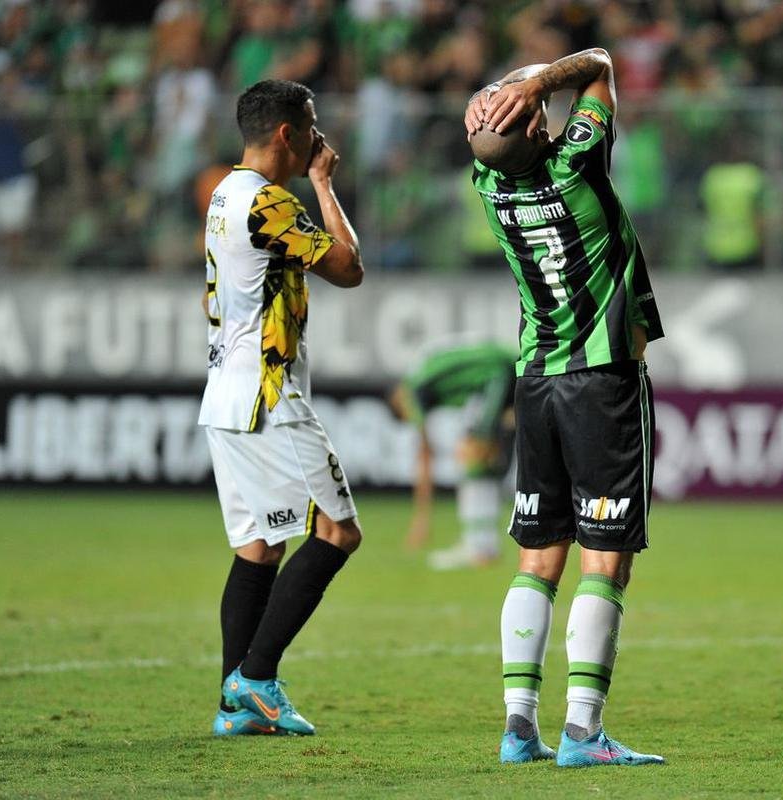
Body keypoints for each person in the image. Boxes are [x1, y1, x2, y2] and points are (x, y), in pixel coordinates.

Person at [464, 47, 666, 768]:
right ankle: (583, 732)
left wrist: (492, 98)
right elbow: (600, 66)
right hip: (602, 382)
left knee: (536, 558)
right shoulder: (576, 168)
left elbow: (490, 140)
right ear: (541, 130)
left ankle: (518, 728)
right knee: (603, 565)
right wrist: (532, 81)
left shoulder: (487, 183)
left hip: (536, 385)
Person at [198, 79, 365, 737]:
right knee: (337, 531)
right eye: (314, 126)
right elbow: (349, 268)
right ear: (290, 135)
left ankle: (232, 704)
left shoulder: (223, 194)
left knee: (259, 547)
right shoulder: (267, 204)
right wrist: (324, 186)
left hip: (225, 392)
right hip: (268, 395)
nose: (321, 139)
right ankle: (256, 677)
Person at [389, 340, 518, 570]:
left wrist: (421, 519)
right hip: (499, 373)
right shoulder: (425, 372)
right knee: (483, 461)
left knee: (473, 455)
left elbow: (425, 456)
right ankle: (483, 543)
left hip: (494, 374)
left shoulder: (411, 391)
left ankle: (479, 547)